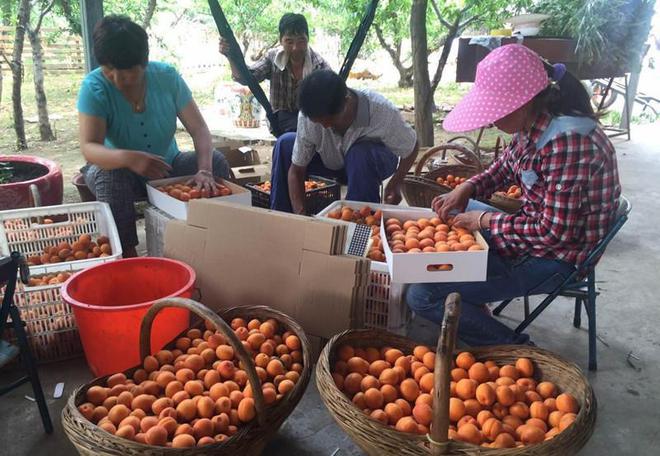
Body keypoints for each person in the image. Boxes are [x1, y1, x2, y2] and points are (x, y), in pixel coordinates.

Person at [406, 44, 621, 346]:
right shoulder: (535, 123)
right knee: (458, 218)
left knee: (423, 294)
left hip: (557, 258)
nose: (492, 121)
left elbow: (552, 233)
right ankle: (475, 297)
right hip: (533, 231)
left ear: (523, 102)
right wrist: (465, 189)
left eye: (496, 111)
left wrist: (483, 220)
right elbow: (503, 169)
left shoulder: (568, 142)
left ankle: (518, 350)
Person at [78, 15, 231, 257]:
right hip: (116, 170)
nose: (117, 80)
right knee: (111, 178)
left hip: (166, 165)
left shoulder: (166, 78)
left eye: (127, 73)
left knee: (216, 161)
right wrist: (129, 159)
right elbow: (90, 147)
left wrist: (204, 169)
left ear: (144, 63)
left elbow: (199, 129)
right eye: (109, 71)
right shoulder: (93, 87)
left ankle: (216, 240)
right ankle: (127, 255)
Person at [270, 69, 418, 214]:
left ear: (347, 102)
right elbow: (296, 171)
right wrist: (301, 214)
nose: (326, 126)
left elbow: (411, 146)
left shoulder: (380, 111)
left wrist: (396, 182)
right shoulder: (308, 116)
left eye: (331, 120)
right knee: (285, 143)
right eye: (320, 122)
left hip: (371, 161)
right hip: (331, 161)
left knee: (359, 154)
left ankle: (359, 224)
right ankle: (283, 221)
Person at [219, 13, 331, 133]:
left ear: (308, 39)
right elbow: (247, 77)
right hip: (279, 121)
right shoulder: (272, 58)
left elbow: (335, 92)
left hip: (310, 120)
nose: (295, 48)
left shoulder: (319, 65)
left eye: (301, 41)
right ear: (281, 41)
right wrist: (230, 56)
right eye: (289, 42)